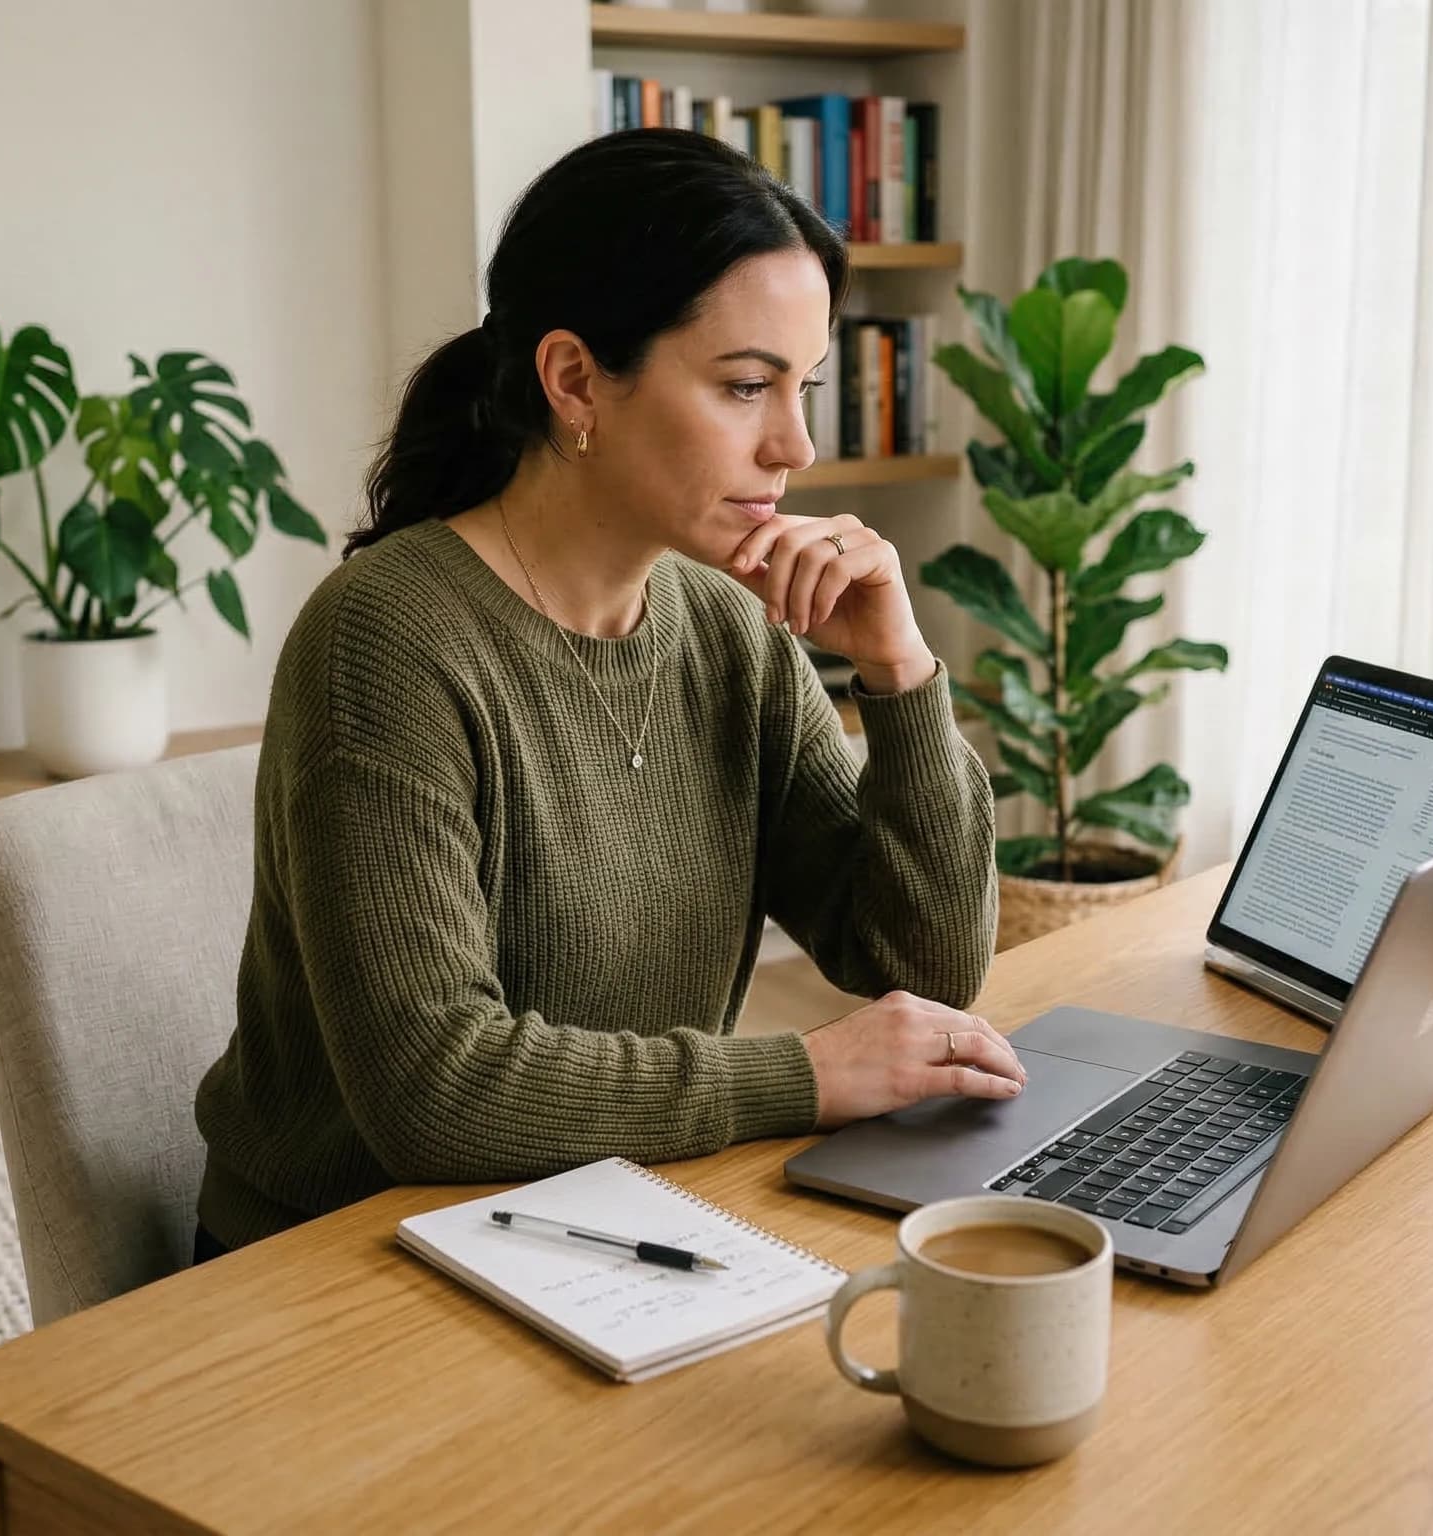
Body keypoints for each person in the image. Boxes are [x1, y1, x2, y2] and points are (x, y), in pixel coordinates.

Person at [190, 129, 1020, 1261]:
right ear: (575, 380)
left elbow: (917, 970)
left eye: (804, 387)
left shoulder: (729, 624)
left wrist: (900, 675)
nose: (795, 444)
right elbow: (435, 1090)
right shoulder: (386, 641)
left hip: (599, 1220)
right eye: (744, 387)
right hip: (343, 1262)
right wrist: (805, 1072)